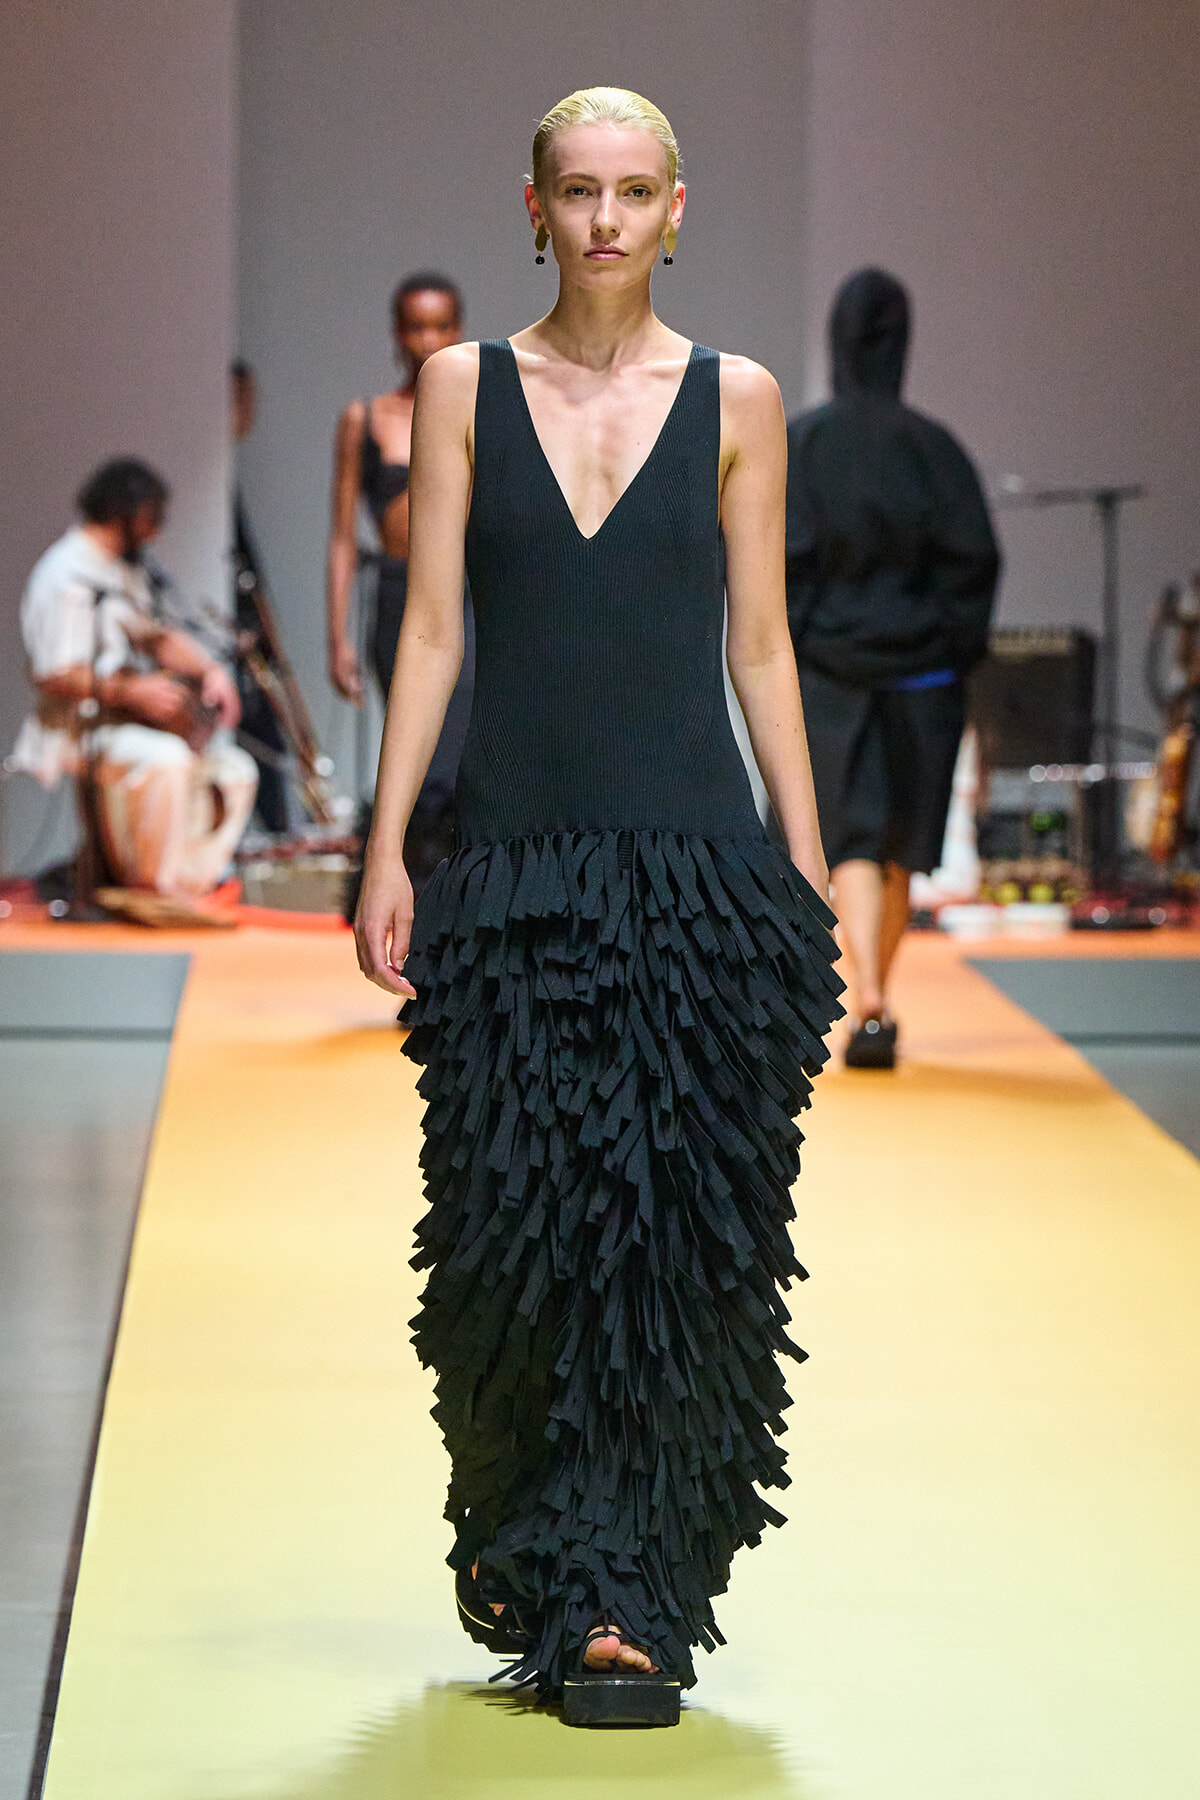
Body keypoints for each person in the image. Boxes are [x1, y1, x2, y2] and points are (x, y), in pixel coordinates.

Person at [355, 88, 842, 1723]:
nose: (610, 220)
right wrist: (384, 849)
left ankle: (630, 1596)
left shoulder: (743, 399)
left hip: (694, 867)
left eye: (637, 192)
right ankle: (554, 1558)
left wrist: (808, 855)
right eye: (581, 192)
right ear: (535, 207)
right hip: (508, 862)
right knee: (510, 1238)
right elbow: (430, 632)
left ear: (679, 209)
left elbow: (762, 642)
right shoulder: (461, 386)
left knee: (677, 1244)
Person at [785, 269, 1000, 1069]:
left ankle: (867, 996)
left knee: (851, 835)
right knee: (902, 838)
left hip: (833, 674)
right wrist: (947, 650)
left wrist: (804, 647)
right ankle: (877, 996)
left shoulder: (805, 444)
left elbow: (787, 562)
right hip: (921, 678)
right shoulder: (934, 450)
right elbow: (973, 561)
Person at [11, 458, 257, 898]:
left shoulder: (123, 570)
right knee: (166, 761)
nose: (156, 531)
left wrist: (210, 669)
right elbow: (53, 674)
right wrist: (133, 691)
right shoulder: (65, 572)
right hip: (77, 728)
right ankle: (150, 890)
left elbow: (155, 638)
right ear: (127, 512)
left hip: (123, 721)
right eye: (152, 518)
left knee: (235, 769)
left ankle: (188, 885)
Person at [327, 273, 475, 887]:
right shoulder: (366, 419)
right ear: (397, 332)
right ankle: (405, 889)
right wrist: (336, 639)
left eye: (440, 326)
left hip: (466, 597)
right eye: (416, 326)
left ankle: (445, 895)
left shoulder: (476, 411)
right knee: (413, 743)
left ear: (459, 330)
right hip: (395, 592)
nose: (428, 339)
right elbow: (341, 535)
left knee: (455, 749)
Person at [231, 359, 290, 833]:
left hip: (252, 648)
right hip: (232, 654)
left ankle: (279, 842)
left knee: (271, 752)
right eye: (237, 398)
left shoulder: (225, 480)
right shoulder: (213, 488)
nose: (247, 410)